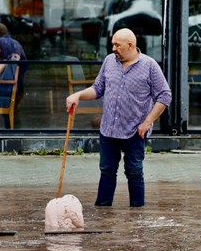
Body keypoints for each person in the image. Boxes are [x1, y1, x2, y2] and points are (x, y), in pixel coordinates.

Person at [66, 27, 171, 207]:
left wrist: (148, 122)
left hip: (135, 131)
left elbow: (164, 95)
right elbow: (98, 89)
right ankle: (103, 211)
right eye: (112, 44)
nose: (113, 48)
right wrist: (78, 95)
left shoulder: (149, 65)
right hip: (108, 129)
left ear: (130, 45)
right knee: (106, 171)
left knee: (134, 172)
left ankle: (137, 215)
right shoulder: (109, 61)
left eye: (117, 45)